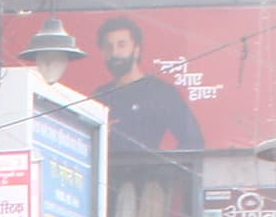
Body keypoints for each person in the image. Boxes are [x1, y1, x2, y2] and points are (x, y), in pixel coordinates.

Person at [82, 14, 205, 154]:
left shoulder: (160, 92)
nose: (115, 52)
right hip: (106, 174)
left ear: (136, 49)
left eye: (122, 45)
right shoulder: (100, 97)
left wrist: (162, 171)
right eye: (108, 46)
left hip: (148, 173)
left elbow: (194, 142)